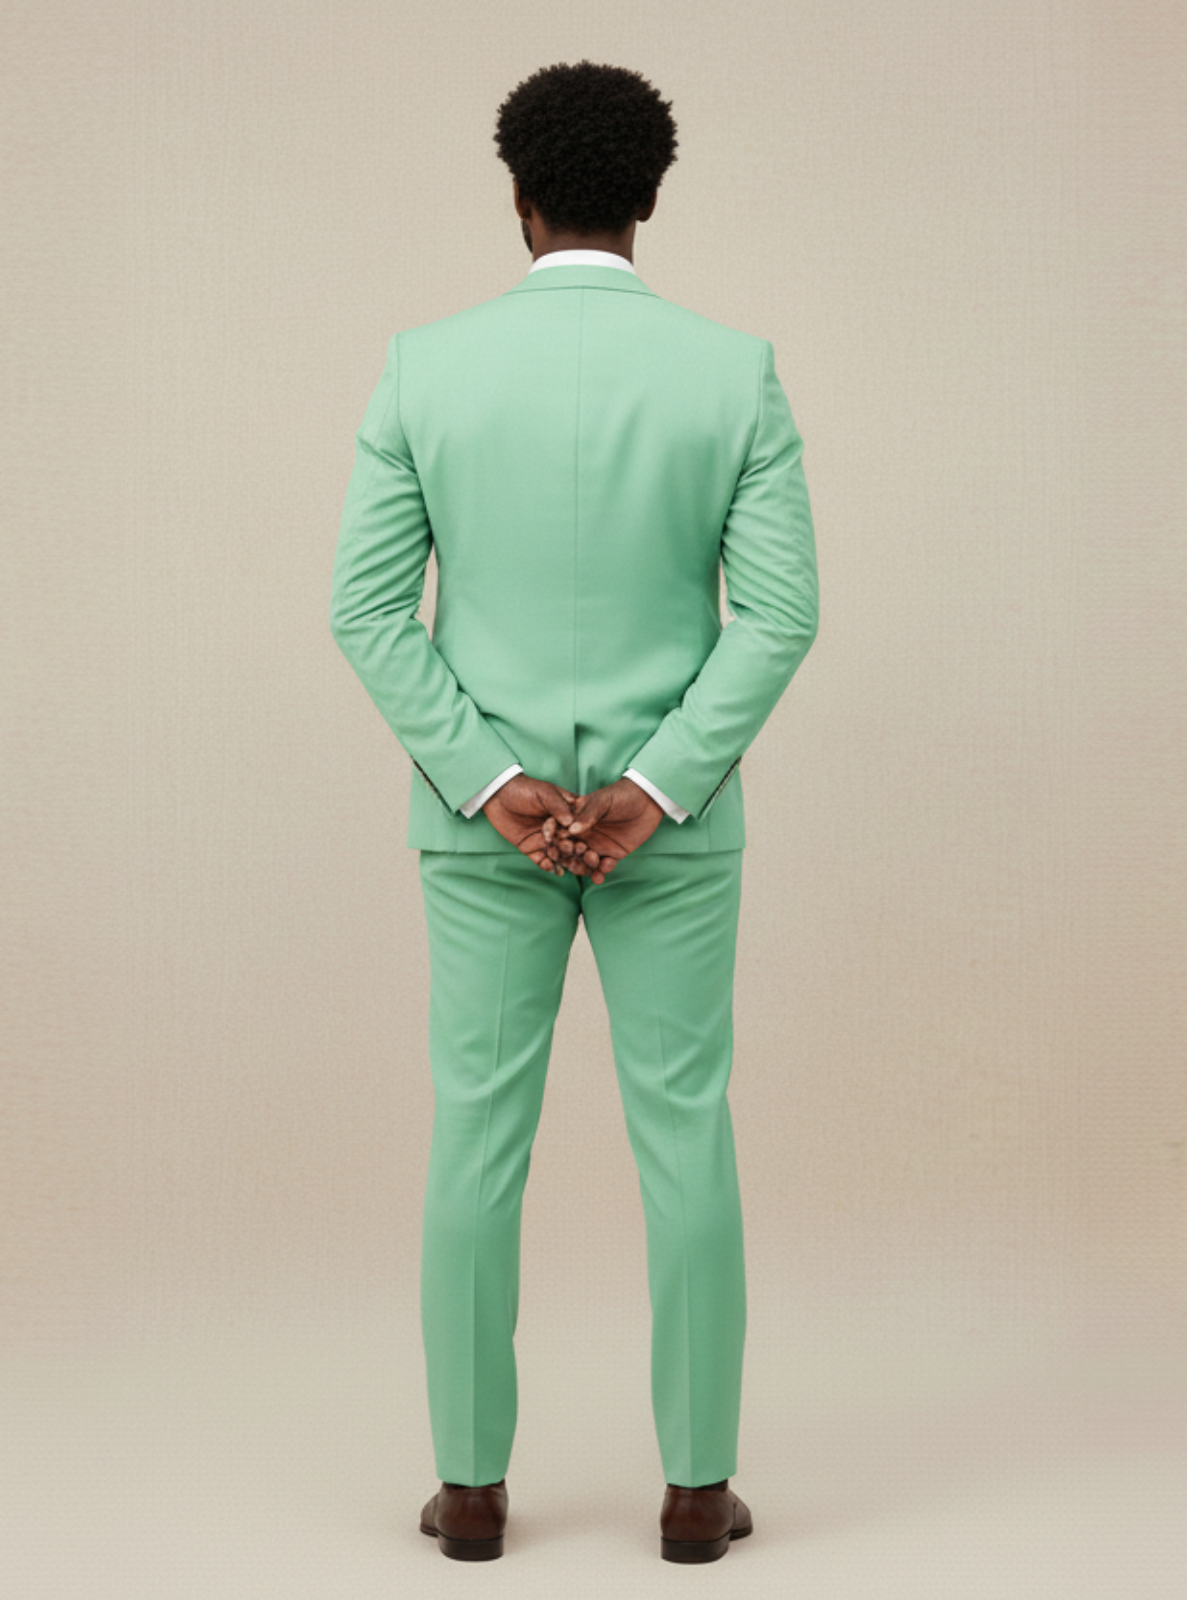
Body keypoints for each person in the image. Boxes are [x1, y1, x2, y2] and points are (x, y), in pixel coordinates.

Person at [329, 58, 819, 1564]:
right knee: (686, 1135)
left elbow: (364, 611)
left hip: (486, 829)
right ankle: (692, 1494)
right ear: (647, 197)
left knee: (475, 1139)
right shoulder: (730, 372)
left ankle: (470, 1491)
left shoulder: (424, 366)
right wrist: (656, 788)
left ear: (520, 196)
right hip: (669, 831)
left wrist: (490, 779)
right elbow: (779, 616)